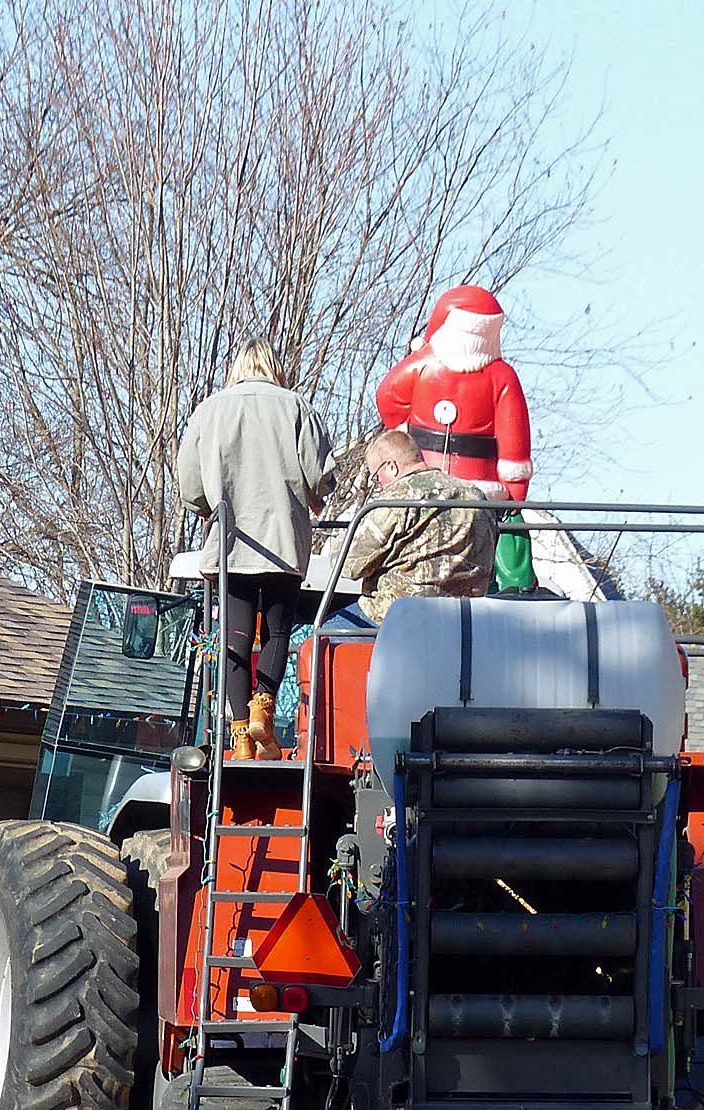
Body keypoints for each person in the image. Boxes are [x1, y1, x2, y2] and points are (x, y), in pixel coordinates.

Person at [175, 342, 335, 759]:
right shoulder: (297, 407)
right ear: (273, 368)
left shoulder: (208, 411)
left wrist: (209, 506)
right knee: (278, 631)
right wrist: (313, 499)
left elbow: (190, 487)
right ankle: (263, 709)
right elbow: (322, 480)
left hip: (231, 543)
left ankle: (240, 734)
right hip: (283, 541)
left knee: (236, 638)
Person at [372, 284, 536, 591]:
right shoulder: (502, 377)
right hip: (481, 488)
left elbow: (388, 397)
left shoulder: (422, 365)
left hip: (424, 482)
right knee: (491, 543)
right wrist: (514, 490)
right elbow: (516, 442)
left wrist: (405, 430)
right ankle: (508, 590)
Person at [338, 428, 497, 622]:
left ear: (391, 467)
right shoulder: (476, 496)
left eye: (376, 477)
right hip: (464, 620)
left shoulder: (398, 497)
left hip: (398, 619)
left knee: (316, 642)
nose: (378, 484)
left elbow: (348, 564)